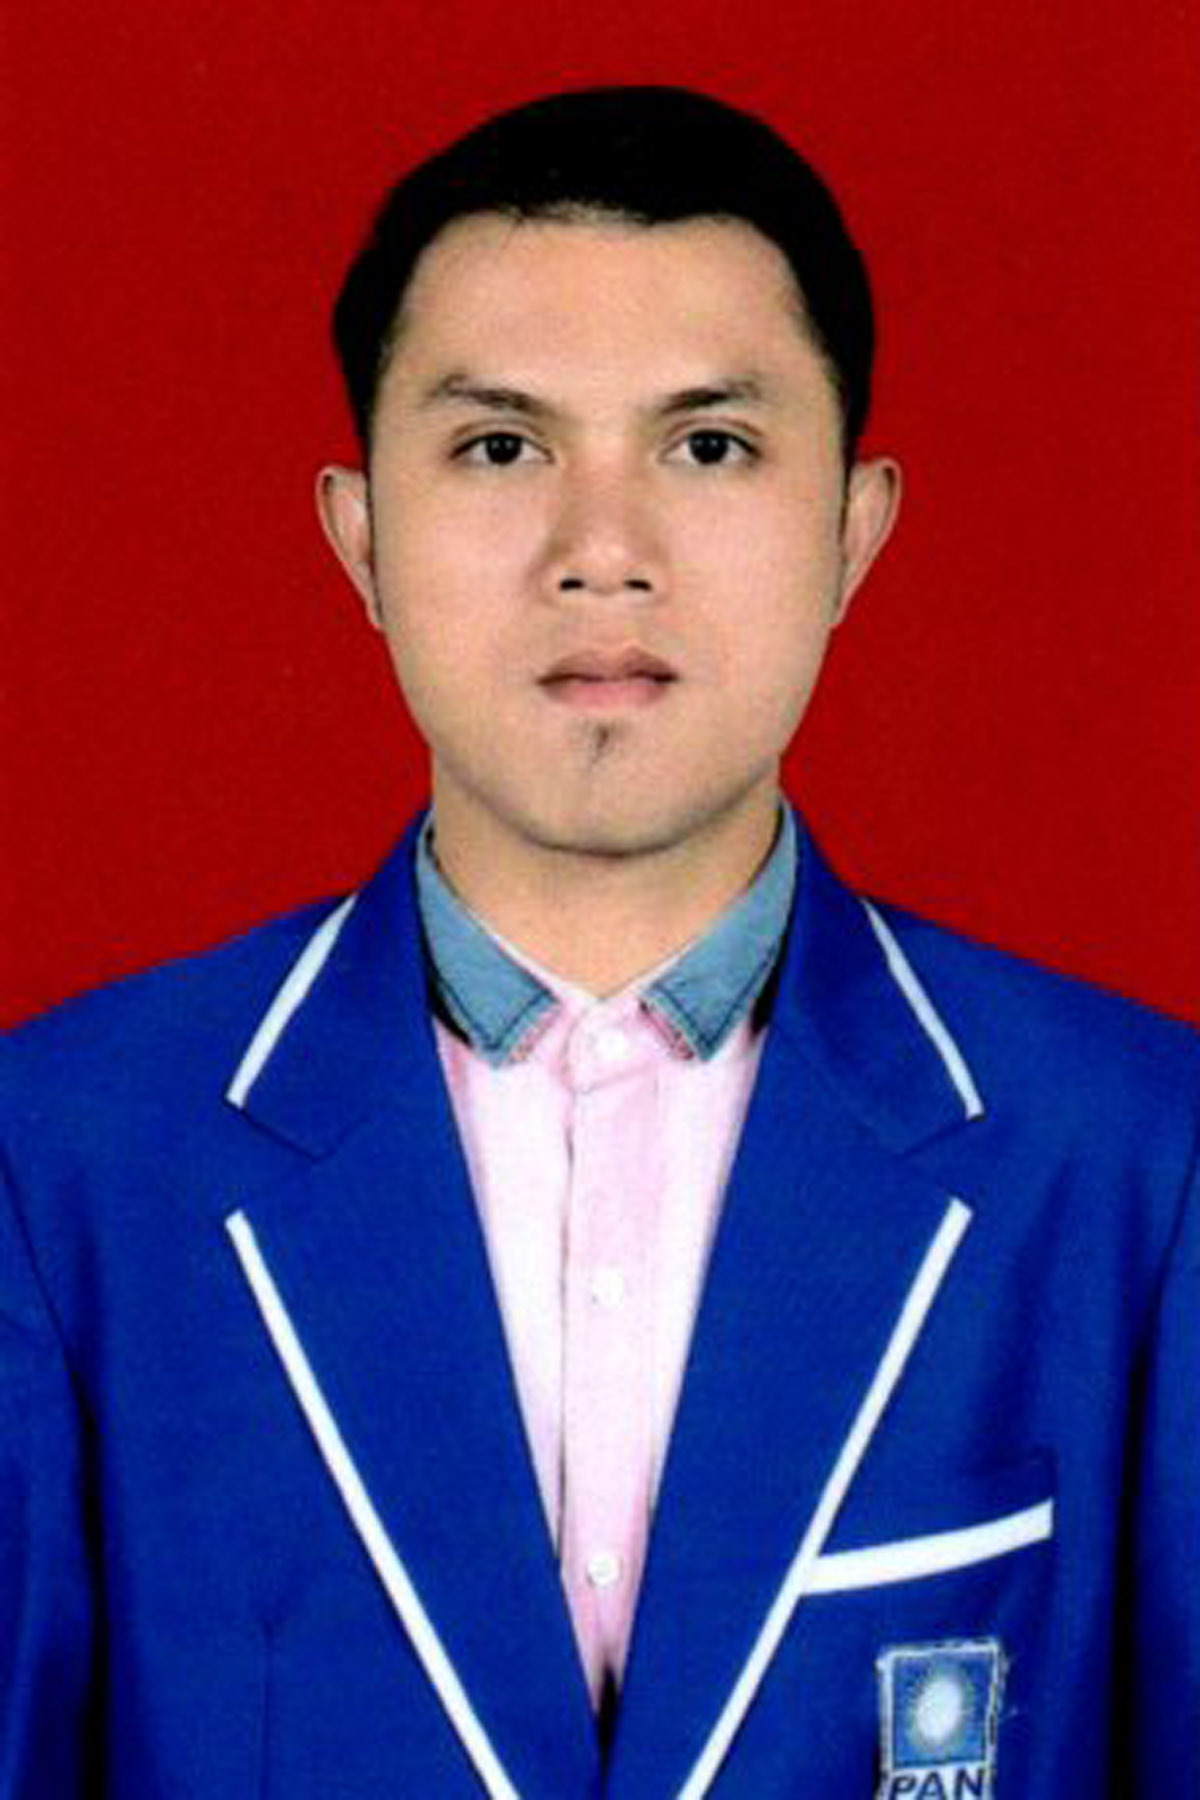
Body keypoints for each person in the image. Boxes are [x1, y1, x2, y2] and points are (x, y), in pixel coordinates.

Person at [1, 86, 1196, 1800]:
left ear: (853, 531)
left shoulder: (1140, 1164)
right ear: (361, 537)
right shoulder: (59, 1167)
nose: (603, 555)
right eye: (502, 449)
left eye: (708, 447)